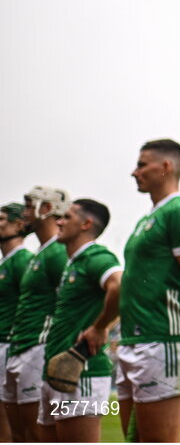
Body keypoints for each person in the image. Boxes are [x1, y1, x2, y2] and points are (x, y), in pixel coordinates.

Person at [117, 139, 180, 441]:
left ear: (166, 167)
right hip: (134, 339)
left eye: (142, 164)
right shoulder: (147, 219)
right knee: (135, 439)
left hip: (163, 340)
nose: (134, 172)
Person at [37, 199, 122, 443]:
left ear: (86, 224)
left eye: (66, 217)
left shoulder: (95, 256)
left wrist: (100, 327)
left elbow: (119, 284)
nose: (59, 222)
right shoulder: (72, 263)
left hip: (81, 374)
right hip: (57, 371)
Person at [4, 186, 70, 442]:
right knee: (19, 431)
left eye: (30, 206)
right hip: (20, 346)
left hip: (38, 347)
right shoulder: (39, 254)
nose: (25, 213)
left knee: (37, 431)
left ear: (47, 209)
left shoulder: (56, 253)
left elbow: (66, 302)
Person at [0, 203, 32, 442]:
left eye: (2, 219)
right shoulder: (6, 262)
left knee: (10, 421)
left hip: (10, 345)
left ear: (20, 225)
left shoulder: (23, 261)